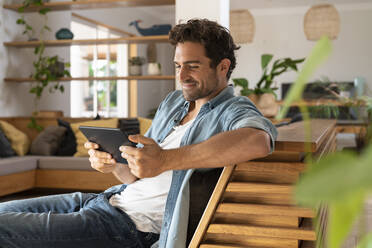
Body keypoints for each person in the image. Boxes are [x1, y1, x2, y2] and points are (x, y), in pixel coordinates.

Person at [0, 19, 277, 248]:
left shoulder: (232, 109)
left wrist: (166, 159)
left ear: (223, 66)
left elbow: (257, 140)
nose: (181, 77)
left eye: (192, 66)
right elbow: (135, 177)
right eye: (178, 66)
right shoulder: (173, 103)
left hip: (130, 226)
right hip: (107, 199)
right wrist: (113, 164)